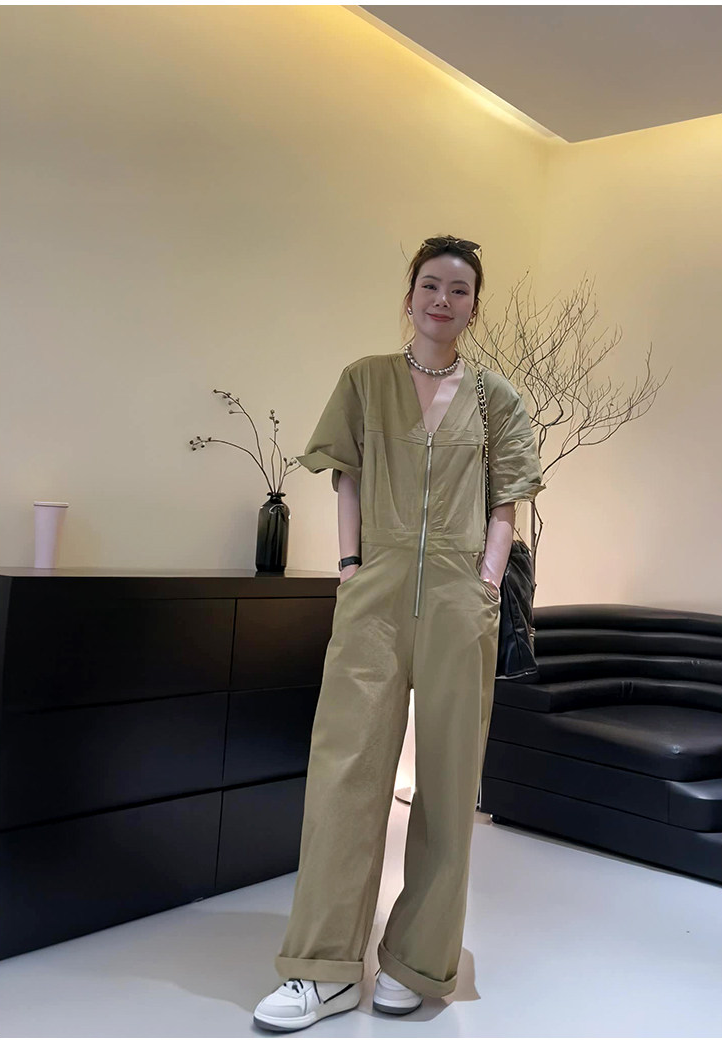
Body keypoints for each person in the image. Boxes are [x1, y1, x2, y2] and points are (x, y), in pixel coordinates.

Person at [253, 235, 545, 1032]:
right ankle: (320, 970)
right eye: (431, 285)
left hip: (459, 599)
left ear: (474, 307)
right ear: (409, 295)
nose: (443, 300)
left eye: (459, 289)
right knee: (344, 775)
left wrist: (487, 581)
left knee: (448, 785)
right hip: (374, 592)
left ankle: (417, 961)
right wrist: (351, 566)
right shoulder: (366, 379)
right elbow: (345, 477)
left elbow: (506, 500)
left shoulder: (497, 397)